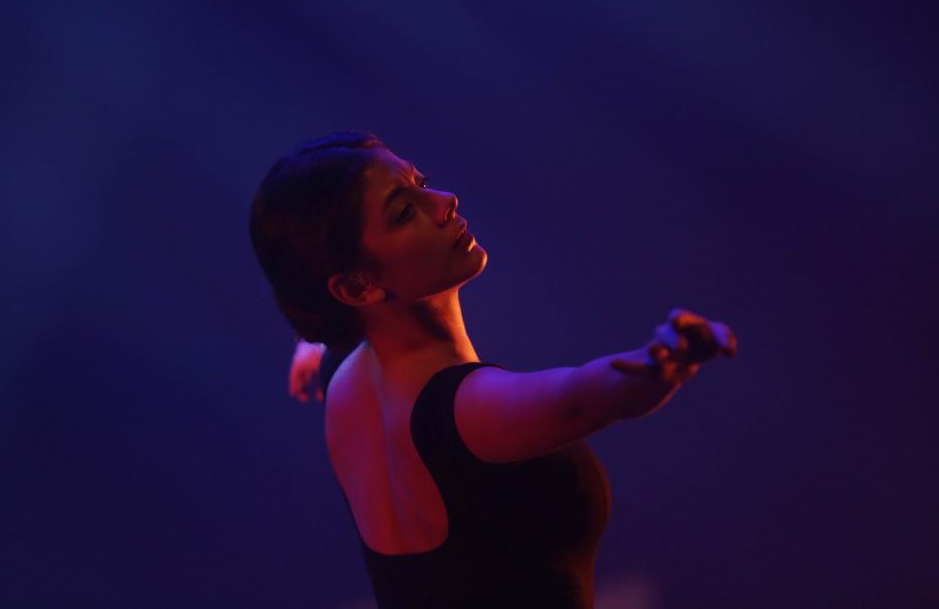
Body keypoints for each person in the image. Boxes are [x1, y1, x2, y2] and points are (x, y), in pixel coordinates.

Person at [249, 132, 737, 608]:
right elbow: (582, 398)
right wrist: (664, 359)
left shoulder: (343, 377)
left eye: (422, 184)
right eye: (404, 212)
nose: (445, 202)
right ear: (357, 288)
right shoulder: (466, 410)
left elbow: (323, 306)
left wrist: (310, 343)